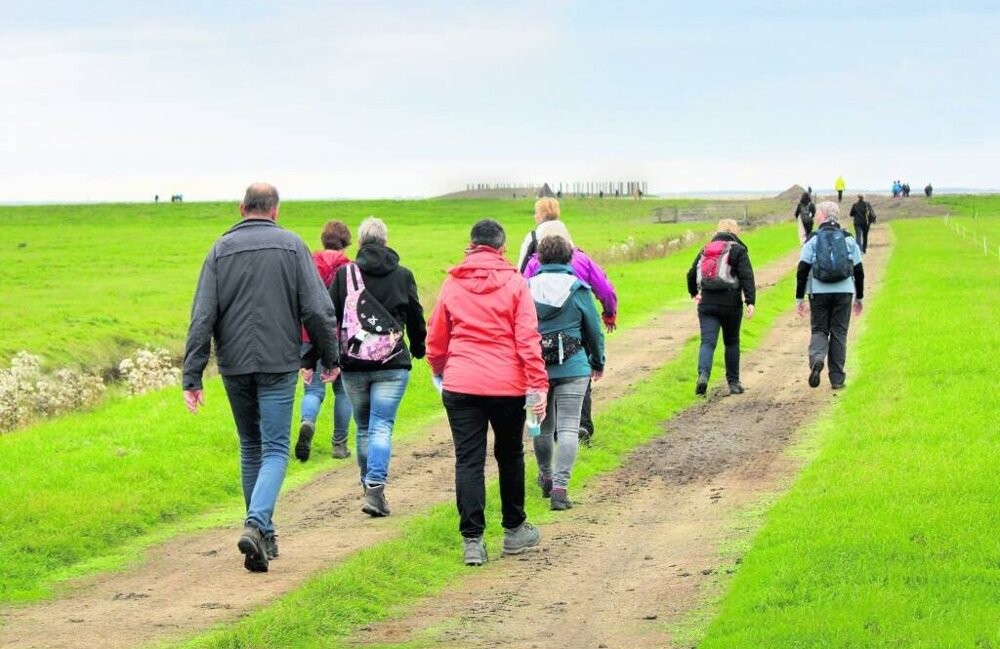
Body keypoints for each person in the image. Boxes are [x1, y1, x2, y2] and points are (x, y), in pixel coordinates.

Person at [182, 182, 340, 573]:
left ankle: (264, 533)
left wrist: (193, 374)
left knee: (251, 446)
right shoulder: (292, 246)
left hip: (234, 364)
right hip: (277, 363)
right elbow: (318, 311)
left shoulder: (219, 250)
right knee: (274, 449)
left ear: (241, 208)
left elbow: (202, 315)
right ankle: (256, 525)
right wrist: (329, 357)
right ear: (275, 209)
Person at [426, 218, 548, 567]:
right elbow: (527, 339)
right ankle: (513, 530)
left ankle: (473, 541)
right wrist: (537, 384)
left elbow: (437, 337)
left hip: (461, 383)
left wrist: (439, 368)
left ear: (471, 244)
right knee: (509, 455)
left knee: (468, 459)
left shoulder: (452, 283)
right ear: (502, 248)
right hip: (507, 386)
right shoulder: (515, 282)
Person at [324, 217, 426, 517]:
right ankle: (375, 488)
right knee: (382, 425)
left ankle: (368, 487)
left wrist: (323, 357)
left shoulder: (344, 275)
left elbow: (328, 317)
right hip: (392, 365)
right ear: (385, 241)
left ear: (359, 243)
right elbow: (416, 316)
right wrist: (419, 349)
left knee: (365, 427)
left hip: (354, 365)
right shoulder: (403, 275)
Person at [522, 220, 617, 446]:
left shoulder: (533, 264)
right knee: (577, 372)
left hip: (541, 332)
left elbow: (521, 294)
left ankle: (547, 429)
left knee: (546, 376)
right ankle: (581, 425)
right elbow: (604, 288)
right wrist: (609, 313)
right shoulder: (582, 259)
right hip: (576, 324)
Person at [528, 235, 605, 510]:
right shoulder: (579, 288)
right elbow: (594, 330)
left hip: (534, 369)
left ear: (539, 259)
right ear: (569, 258)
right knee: (569, 426)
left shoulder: (524, 288)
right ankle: (561, 489)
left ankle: (545, 477)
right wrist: (598, 361)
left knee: (539, 427)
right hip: (574, 366)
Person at [295, 221, 354, 462]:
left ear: (324, 240)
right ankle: (339, 445)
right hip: (342, 336)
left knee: (313, 389)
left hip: (310, 334)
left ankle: (307, 421)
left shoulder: (308, 264)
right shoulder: (350, 269)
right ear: (345, 242)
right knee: (343, 392)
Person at [795, 201, 864, 390]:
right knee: (839, 333)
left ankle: (817, 359)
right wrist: (859, 297)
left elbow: (802, 270)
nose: (816, 217)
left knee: (819, 330)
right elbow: (858, 271)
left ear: (823, 216)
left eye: (818, 214)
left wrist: (799, 298)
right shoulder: (849, 239)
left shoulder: (813, 239)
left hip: (818, 293)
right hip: (844, 292)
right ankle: (837, 379)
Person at [686, 219, 756, 396]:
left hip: (707, 303)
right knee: (731, 342)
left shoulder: (706, 249)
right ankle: (733, 383)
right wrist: (750, 301)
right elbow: (747, 277)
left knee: (707, 342)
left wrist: (694, 293)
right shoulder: (738, 250)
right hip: (731, 304)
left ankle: (703, 376)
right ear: (735, 231)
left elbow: (691, 272)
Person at [516, 197, 560, 273]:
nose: (535, 216)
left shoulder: (533, 236)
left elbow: (522, 266)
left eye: (537, 213)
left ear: (543, 214)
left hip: (538, 281)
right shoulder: (565, 235)